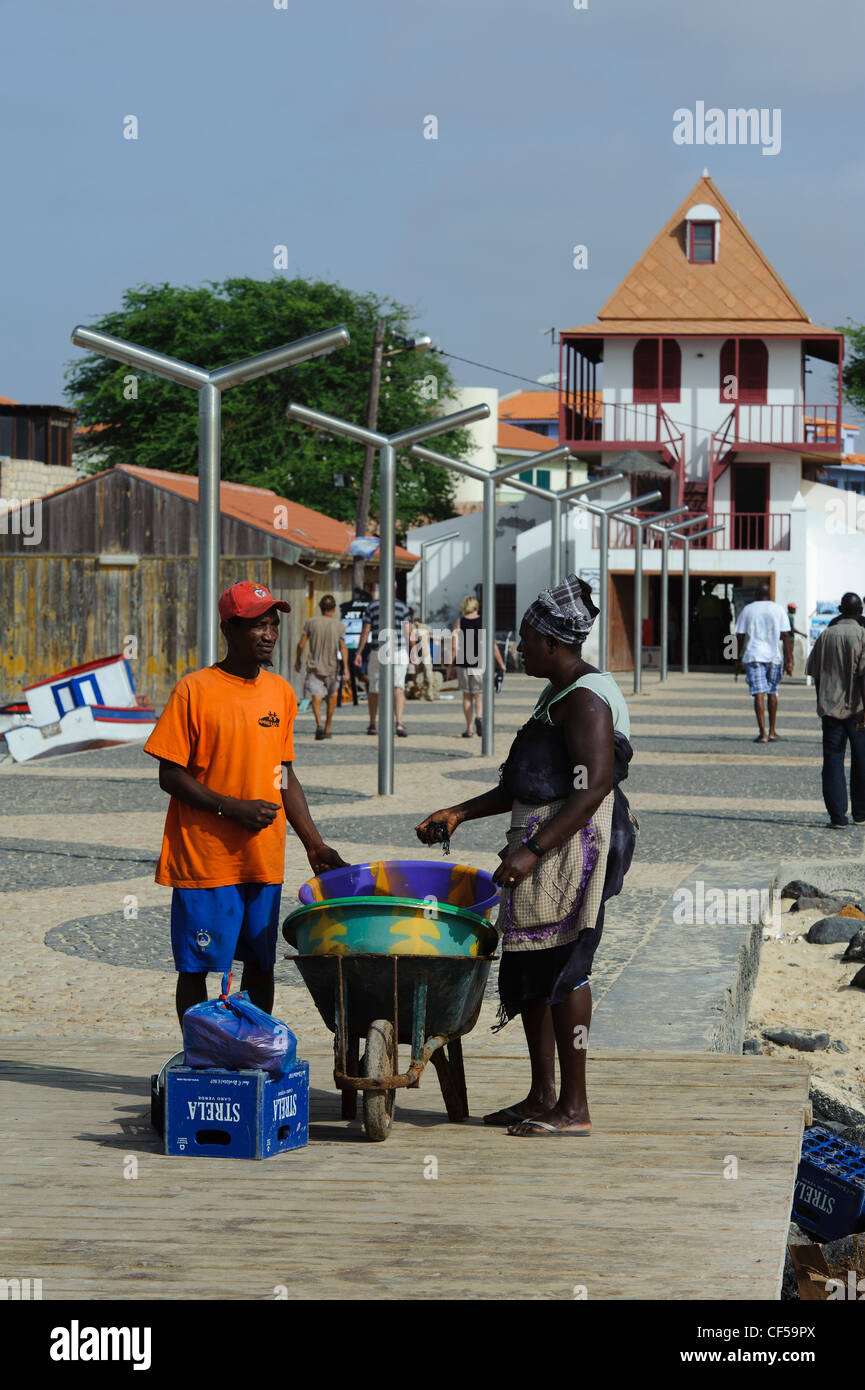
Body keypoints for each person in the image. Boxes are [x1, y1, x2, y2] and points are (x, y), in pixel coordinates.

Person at [415, 575, 637, 1137]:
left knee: (566, 971)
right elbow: (535, 780)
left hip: (570, 848)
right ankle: (542, 1095)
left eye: (527, 638)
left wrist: (533, 851)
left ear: (555, 644)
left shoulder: (586, 699)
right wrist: (460, 812)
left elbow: (592, 787)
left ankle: (575, 1106)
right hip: (542, 843)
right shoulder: (556, 693)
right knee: (531, 970)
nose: (520, 647)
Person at [144, 580, 347, 1027]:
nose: (270, 634)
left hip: (263, 859)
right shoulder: (193, 690)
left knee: (261, 964)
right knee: (196, 968)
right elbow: (170, 775)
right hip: (204, 859)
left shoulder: (280, 693)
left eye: (274, 624)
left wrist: (314, 843)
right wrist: (231, 808)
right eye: (258, 624)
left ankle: (253, 1050)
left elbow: (283, 773)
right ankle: (201, 1058)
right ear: (229, 630)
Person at [805, 592, 865, 828]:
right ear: (860, 610)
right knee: (861, 760)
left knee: (832, 760)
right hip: (858, 708)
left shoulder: (825, 635)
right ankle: (860, 814)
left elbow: (815, 674)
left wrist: (822, 702)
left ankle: (837, 817)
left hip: (830, 709)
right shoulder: (862, 635)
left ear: (840, 609)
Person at [735, 583, 793, 742]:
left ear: (756, 595)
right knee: (772, 692)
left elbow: (739, 636)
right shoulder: (778, 609)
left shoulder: (748, 609)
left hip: (754, 655)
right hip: (774, 656)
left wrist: (737, 657)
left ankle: (762, 733)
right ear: (770, 595)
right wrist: (790, 660)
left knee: (758, 693)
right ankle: (773, 731)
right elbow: (786, 636)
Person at [355, 583, 411, 737]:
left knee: (374, 687)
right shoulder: (402, 607)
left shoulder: (372, 606)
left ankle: (373, 724)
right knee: (398, 688)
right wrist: (412, 651)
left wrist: (359, 652)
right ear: (395, 589)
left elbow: (365, 631)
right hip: (399, 650)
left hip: (378, 651)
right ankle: (399, 723)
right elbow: (408, 632)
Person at [446, 594, 506, 738]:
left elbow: (454, 646)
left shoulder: (459, 622)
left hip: (463, 662)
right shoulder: (484, 622)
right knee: (479, 695)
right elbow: (492, 645)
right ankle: (479, 717)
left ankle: (469, 729)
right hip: (480, 662)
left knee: (467, 696)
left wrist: (450, 666)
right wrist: (501, 664)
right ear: (476, 607)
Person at [295, 594, 349, 740]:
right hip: (332, 667)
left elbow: (301, 644)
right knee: (331, 697)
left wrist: (298, 660)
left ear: (320, 607)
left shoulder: (311, 622)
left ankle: (318, 723)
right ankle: (327, 728)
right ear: (334, 608)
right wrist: (346, 668)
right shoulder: (340, 626)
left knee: (316, 697)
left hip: (315, 666)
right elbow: (343, 647)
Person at [340, 587, 371, 705]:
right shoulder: (353, 609)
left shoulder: (368, 610)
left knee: (363, 674)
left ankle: (373, 693)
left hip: (365, 648)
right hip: (359, 647)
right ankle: (372, 693)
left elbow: (366, 630)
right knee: (361, 674)